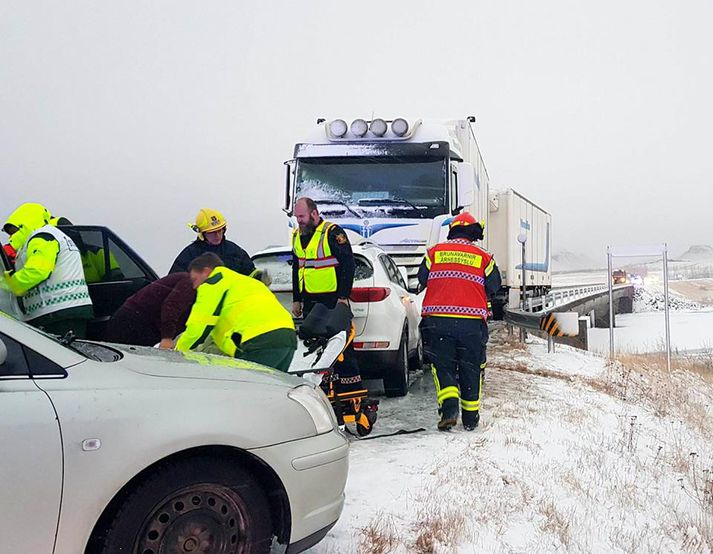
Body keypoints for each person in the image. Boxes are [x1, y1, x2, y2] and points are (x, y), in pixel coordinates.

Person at [417, 212, 501, 431]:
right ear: (472, 233)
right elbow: (494, 286)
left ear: (452, 230)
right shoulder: (483, 257)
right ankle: (471, 419)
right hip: (471, 324)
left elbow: (421, 278)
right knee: (471, 367)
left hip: (438, 322)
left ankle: (449, 408)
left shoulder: (434, 253)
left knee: (442, 366)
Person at [175, 253, 297, 372]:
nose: (194, 286)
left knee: (246, 389)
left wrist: (177, 352)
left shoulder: (214, 283)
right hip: (287, 336)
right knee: (272, 388)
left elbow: (198, 327)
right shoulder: (245, 282)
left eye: (194, 279)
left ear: (206, 271)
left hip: (258, 341)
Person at [290, 197, 363, 392]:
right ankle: (319, 388)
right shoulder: (297, 235)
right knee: (314, 349)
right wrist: (296, 299)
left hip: (332, 301)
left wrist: (343, 296)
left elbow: (349, 264)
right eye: (296, 217)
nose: (299, 221)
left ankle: (349, 388)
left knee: (341, 348)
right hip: (310, 301)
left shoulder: (333, 233)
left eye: (302, 216)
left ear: (314, 213)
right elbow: (297, 268)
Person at [2, 203, 93, 337]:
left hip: (59, 313)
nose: (11, 237)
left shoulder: (42, 237)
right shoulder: (52, 235)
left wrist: (5, 284)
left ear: (26, 223)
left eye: (14, 231)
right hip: (65, 310)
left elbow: (37, 271)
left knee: (62, 356)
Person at [106, 272, 196, 348]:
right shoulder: (190, 283)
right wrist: (167, 337)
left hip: (139, 320)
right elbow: (171, 307)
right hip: (137, 321)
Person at [169, 208, 258, 277]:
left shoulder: (234, 251)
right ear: (202, 233)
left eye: (220, 230)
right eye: (212, 232)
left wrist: (260, 277)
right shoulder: (190, 255)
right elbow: (175, 281)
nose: (217, 235)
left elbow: (250, 273)